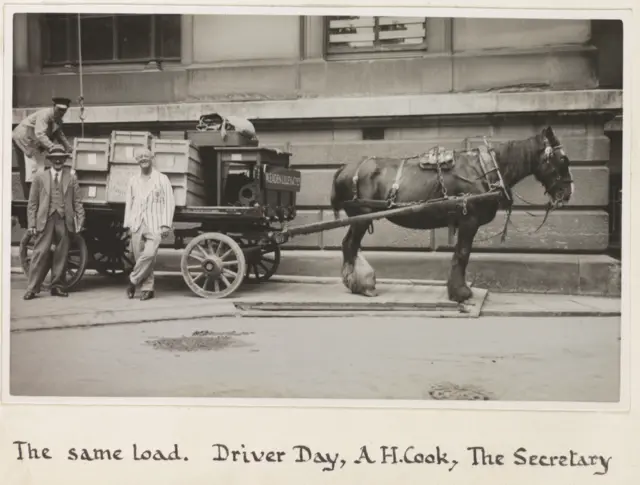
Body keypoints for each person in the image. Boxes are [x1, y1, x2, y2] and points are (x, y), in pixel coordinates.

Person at [23, 145, 85, 300]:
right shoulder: (39, 177)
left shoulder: (71, 177)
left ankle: (57, 286)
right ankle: (32, 288)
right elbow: (32, 203)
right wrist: (31, 224)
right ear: (49, 160)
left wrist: (80, 221)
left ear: (64, 160)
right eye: (54, 158)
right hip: (45, 220)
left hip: (64, 220)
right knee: (39, 253)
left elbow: (78, 202)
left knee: (61, 254)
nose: (58, 160)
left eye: (61, 158)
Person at [123, 149, 176, 301]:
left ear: (152, 158)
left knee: (149, 254)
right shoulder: (133, 180)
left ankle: (132, 280)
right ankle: (148, 288)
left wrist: (166, 224)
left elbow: (169, 202)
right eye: (140, 157)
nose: (143, 159)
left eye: (146, 156)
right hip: (137, 223)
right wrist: (128, 222)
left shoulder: (162, 179)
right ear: (137, 160)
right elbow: (129, 202)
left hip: (155, 223)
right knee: (141, 257)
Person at [12, 97, 74, 199]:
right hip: (24, 139)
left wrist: (68, 147)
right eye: (59, 109)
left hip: (36, 143)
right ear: (54, 107)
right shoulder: (44, 115)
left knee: (38, 169)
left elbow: (59, 134)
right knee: (29, 171)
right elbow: (40, 133)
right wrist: (52, 147)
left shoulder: (58, 119)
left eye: (64, 110)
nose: (61, 112)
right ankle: (29, 199)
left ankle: (37, 197)